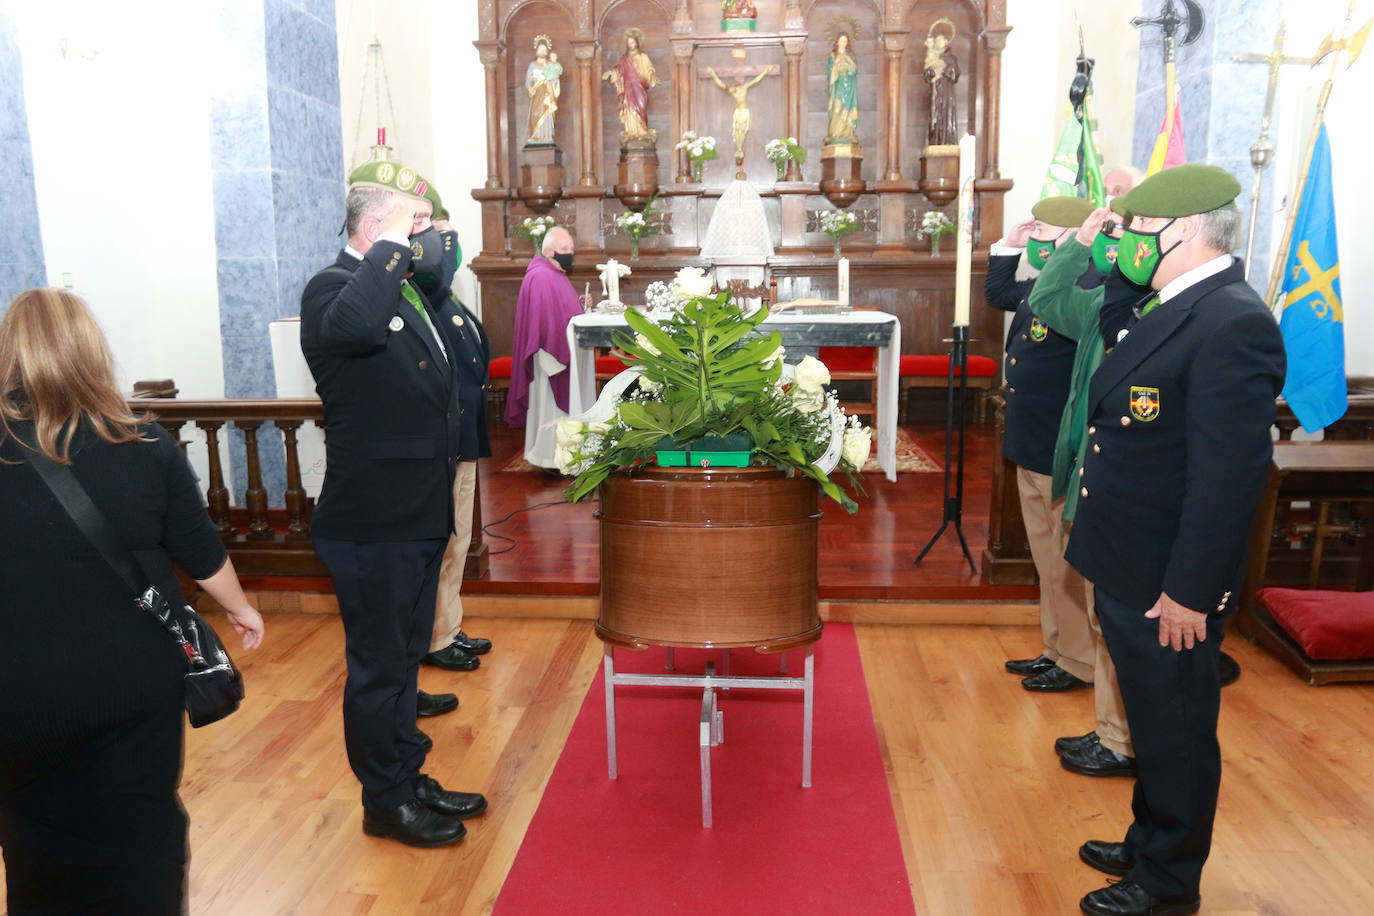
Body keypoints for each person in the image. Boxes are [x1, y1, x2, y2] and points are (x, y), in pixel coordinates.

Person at [0, 287, 265, 913]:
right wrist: (242, 608)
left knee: (31, 833)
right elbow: (203, 555)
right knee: (141, 825)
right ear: (91, 353)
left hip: (19, 690)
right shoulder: (143, 445)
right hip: (134, 683)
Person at [1065, 164, 1285, 916]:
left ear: (1184, 231)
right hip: (1130, 559)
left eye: (1138, 231)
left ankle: (1167, 882)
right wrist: (1118, 254)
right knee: (1152, 716)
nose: (1126, 242)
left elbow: (1228, 480)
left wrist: (1191, 591)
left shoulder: (1233, 322)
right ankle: (1147, 838)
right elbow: (1121, 340)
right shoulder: (1180, 301)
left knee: (1177, 729)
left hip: (1168, 579)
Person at [300, 159, 487, 848]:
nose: (428, 236)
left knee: (405, 660)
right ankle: (385, 801)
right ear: (376, 230)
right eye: (416, 225)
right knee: (379, 670)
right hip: (373, 522)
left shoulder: (401, 290)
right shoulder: (333, 289)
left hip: (414, 513)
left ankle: (407, 777)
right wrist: (387, 246)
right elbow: (352, 331)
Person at [1024, 199, 1154, 780]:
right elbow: (1050, 301)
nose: (1121, 238)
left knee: (1115, 620)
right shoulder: (1110, 301)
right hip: (1089, 472)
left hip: (1125, 487)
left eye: (1134, 230)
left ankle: (1123, 739)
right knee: (1105, 617)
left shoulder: (1162, 314)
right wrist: (1077, 245)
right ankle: (1113, 732)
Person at [987, 196, 1099, 697]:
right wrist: (1008, 245)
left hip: (1058, 445)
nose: (1034, 234)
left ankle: (1077, 660)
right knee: (1044, 558)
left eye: (1043, 228)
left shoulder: (1086, 287)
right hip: (1030, 441)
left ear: (1075, 237)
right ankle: (1056, 647)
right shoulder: (1044, 285)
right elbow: (999, 292)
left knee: (1065, 561)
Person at [413, 184, 495, 674]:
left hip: (463, 435)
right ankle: (434, 636)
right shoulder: (426, 292)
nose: (447, 242)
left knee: (460, 539)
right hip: (444, 439)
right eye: (430, 228)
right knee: (445, 542)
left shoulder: (444, 295)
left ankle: (448, 625)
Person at [504, 225, 585, 469]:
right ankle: (551, 457)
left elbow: (559, 309)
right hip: (550, 358)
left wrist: (579, 303)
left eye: (571, 248)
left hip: (557, 354)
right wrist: (556, 354)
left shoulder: (553, 273)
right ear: (549, 252)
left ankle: (561, 455)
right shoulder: (541, 276)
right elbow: (543, 321)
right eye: (564, 249)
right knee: (550, 411)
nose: (569, 253)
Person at [708, 65, 773, 161]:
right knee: (736, 130)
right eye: (734, 86)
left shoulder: (744, 88)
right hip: (737, 112)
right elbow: (721, 84)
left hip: (744, 112)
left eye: (736, 85)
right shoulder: (733, 91)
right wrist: (712, 73)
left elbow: (756, 80)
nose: (735, 87)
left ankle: (739, 149)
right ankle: (739, 149)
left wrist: (765, 71)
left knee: (743, 130)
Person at [602, 28, 658, 142]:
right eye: (628, 43)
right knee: (629, 109)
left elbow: (649, 69)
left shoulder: (643, 57)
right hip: (628, 88)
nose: (630, 45)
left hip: (638, 87)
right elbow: (618, 71)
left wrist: (651, 75)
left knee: (640, 107)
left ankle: (642, 131)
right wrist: (611, 74)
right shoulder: (624, 59)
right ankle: (632, 132)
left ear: (637, 42)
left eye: (632, 42)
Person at [924, 19, 960, 147]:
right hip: (935, 92)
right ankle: (935, 142)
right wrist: (933, 70)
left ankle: (947, 141)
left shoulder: (951, 58)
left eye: (940, 40)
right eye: (936, 40)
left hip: (946, 93)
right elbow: (926, 76)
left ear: (946, 42)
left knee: (945, 115)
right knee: (934, 117)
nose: (937, 42)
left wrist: (944, 68)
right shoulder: (932, 57)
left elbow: (955, 75)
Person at [526, 36, 560, 146]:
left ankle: (547, 135)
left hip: (547, 93)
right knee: (536, 113)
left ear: (547, 52)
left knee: (547, 112)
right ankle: (535, 136)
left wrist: (555, 79)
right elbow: (528, 80)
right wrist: (530, 88)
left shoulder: (550, 65)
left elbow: (555, 77)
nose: (542, 52)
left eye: (544, 50)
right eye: (540, 49)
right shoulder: (532, 65)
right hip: (537, 93)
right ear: (536, 51)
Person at [825, 32, 858, 145]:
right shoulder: (833, 56)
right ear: (837, 42)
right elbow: (830, 72)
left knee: (848, 110)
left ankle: (847, 133)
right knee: (837, 108)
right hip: (838, 85)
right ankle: (835, 133)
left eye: (845, 40)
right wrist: (837, 68)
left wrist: (848, 67)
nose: (843, 43)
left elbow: (854, 70)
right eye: (841, 40)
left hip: (849, 86)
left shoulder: (851, 56)